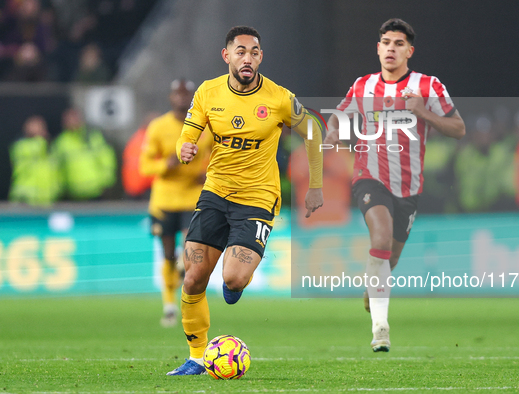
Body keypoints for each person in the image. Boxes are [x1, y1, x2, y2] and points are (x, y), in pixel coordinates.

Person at [167, 26, 324, 375]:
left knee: (233, 280)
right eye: (240, 51)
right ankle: (196, 356)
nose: (248, 58)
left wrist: (315, 184)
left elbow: (314, 129)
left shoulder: (279, 98)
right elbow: (187, 135)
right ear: (227, 56)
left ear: (260, 57)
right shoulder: (208, 93)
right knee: (192, 278)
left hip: (258, 198)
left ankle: (237, 278)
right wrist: (185, 148)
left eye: (254, 52)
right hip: (215, 194)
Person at [324, 18, 465, 352]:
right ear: (378, 48)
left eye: (398, 43)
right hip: (369, 176)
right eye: (385, 42)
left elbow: (458, 128)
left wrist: (423, 113)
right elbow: (339, 114)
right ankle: (381, 330)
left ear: (409, 51)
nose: (391, 48)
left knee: (389, 257)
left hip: (409, 187)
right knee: (381, 237)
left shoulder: (428, 86)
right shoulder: (364, 85)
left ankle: (372, 288)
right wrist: (332, 131)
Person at [139, 79, 212, 327]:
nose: (182, 98)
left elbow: (217, 155)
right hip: (164, 200)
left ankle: (183, 285)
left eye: (186, 94)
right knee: (168, 255)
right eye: (177, 94)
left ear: (193, 98)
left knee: (188, 251)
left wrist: (208, 172)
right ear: (171, 98)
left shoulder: (206, 128)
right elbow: (144, 165)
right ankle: (169, 306)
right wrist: (164, 165)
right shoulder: (158, 127)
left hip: (192, 198)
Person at [51, 107, 117, 200]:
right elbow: (56, 168)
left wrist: (106, 182)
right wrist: (59, 188)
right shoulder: (61, 142)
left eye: (74, 119)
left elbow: (106, 159)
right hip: (72, 194)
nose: (72, 122)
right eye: (68, 120)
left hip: (95, 192)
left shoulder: (93, 137)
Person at [9, 115, 61, 206]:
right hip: (25, 199)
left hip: (47, 200)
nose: (39, 129)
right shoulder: (20, 146)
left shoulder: (50, 148)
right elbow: (37, 148)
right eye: (36, 126)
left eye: (41, 126)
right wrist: (42, 137)